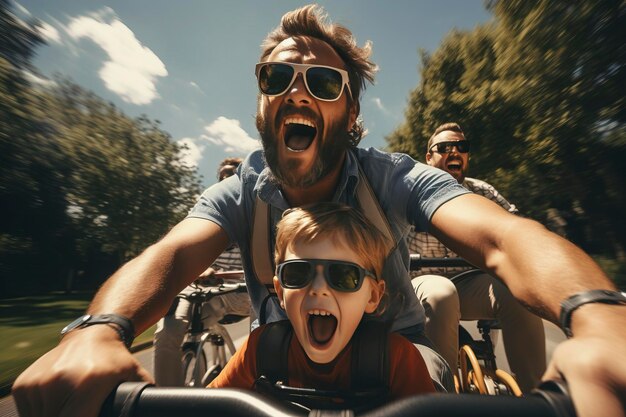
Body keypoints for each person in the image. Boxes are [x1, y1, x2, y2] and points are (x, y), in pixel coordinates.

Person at [13, 5, 626, 417]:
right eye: (277, 76)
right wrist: (98, 332)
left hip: (398, 365)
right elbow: (169, 256)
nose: (297, 90)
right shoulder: (242, 189)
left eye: (324, 84)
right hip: (275, 361)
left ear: (351, 115)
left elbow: (503, 237)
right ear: (261, 102)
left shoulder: (397, 177)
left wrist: (599, 318)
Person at [210, 202, 435, 402]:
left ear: (373, 296)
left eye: (344, 276)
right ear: (280, 292)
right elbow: (208, 408)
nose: (318, 289)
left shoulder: (394, 359)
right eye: (297, 273)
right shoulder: (261, 350)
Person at [409, 122, 545, 392]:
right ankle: (442, 402)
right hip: (424, 280)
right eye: (445, 148)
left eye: (462, 147)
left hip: (473, 281)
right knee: (441, 294)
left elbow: (517, 229)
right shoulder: (409, 192)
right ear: (429, 157)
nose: (455, 152)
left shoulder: (484, 192)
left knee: (518, 293)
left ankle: (540, 398)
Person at [152, 157, 249, 386]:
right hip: (201, 290)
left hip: (239, 292)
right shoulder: (205, 211)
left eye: (233, 175)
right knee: (168, 331)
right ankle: (166, 403)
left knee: (267, 322)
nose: (226, 179)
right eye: (222, 175)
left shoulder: (252, 213)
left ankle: (256, 383)